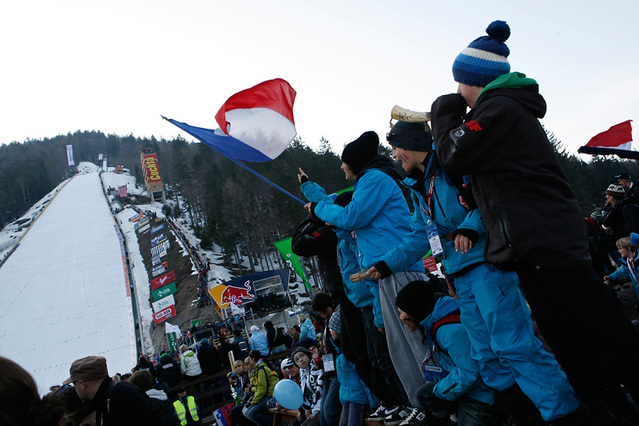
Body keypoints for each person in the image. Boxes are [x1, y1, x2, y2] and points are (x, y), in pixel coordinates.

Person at [431, 19, 639, 424]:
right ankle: (610, 412)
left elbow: (455, 152)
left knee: (602, 335)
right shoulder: (500, 111)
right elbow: (499, 176)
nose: (458, 92)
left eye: (459, 84)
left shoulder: (499, 109)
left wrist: (444, 112)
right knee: (573, 346)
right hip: (533, 246)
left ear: (473, 80)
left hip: (546, 242)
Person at [366, 120, 580, 423]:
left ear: (412, 142)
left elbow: (486, 200)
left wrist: (470, 227)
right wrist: (384, 265)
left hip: (487, 267)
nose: (394, 154)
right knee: (485, 355)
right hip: (459, 275)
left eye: (395, 146)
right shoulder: (418, 186)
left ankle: (564, 415)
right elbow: (419, 236)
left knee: (515, 346)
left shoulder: (454, 168)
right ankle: (519, 413)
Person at [300, 131, 426, 415]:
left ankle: (414, 404)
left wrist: (319, 209)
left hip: (395, 271)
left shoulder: (374, 180)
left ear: (356, 162)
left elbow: (348, 214)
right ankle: (409, 403)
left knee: (399, 349)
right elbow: (337, 207)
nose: (342, 167)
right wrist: (310, 190)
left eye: (345, 163)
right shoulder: (367, 184)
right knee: (384, 352)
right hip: (381, 276)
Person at [396, 281, 495, 426]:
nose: (400, 318)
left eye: (402, 313)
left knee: (431, 393)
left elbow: (471, 372)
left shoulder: (447, 330)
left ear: (415, 311)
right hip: (466, 385)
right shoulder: (437, 318)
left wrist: (441, 390)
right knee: (424, 394)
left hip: (480, 395)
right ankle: (454, 414)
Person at [63, 355, 172, 425]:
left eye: (74, 383)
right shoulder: (104, 402)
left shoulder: (123, 395)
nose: (75, 389)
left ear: (82, 383)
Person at [243, 351, 279, 426]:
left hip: (270, 395)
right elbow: (259, 387)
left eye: (250, 359)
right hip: (266, 394)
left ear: (253, 359)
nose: (249, 361)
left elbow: (262, 389)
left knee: (250, 413)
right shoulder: (259, 368)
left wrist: (253, 402)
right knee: (245, 411)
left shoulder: (261, 369)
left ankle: (272, 424)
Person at [291, 346, 324, 426]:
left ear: (307, 355)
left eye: (302, 356)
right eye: (297, 360)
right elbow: (305, 393)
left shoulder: (316, 367)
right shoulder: (302, 372)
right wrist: (305, 410)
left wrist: (313, 412)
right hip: (310, 408)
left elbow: (320, 392)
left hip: (321, 405)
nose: (301, 360)